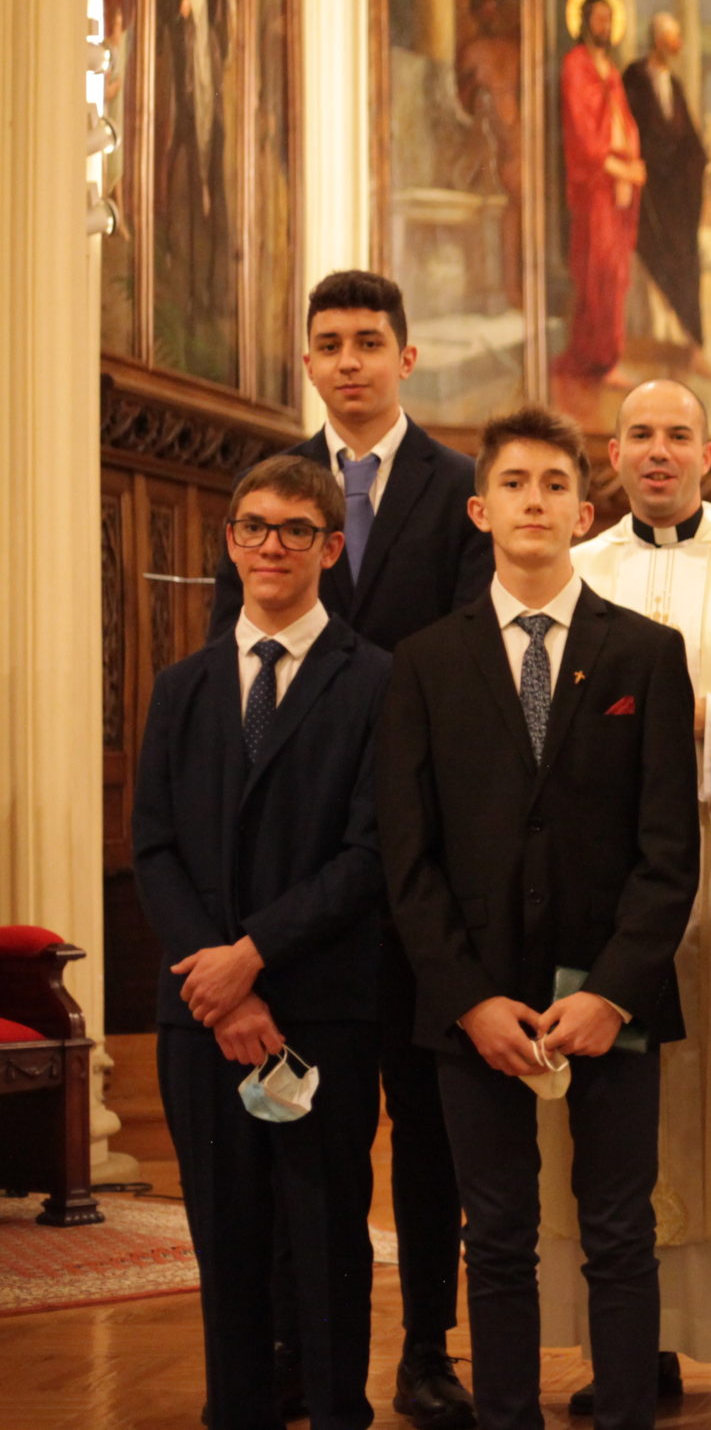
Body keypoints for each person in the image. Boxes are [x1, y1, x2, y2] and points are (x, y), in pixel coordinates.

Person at [204, 270, 490, 1430]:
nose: (351, 361)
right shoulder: (271, 487)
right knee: (297, 1126)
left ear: (407, 357)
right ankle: (290, 1346)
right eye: (329, 344)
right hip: (297, 866)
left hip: (423, 862)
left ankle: (426, 1348)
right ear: (309, 362)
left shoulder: (459, 488)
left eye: (371, 342)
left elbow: (471, 657)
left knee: (424, 1130)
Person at [378, 406, 699, 1430]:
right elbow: (408, 856)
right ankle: (508, 1414)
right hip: (476, 1001)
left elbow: (668, 853)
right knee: (500, 1234)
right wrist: (467, 999)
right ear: (481, 508)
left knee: (617, 1232)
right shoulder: (423, 662)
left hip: (610, 997)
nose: (534, 501)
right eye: (514, 483)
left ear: (583, 507)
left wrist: (612, 991)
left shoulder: (646, 654)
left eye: (554, 485)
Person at [542, 380, 711, 1414]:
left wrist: (708, 714)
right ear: (612, 456)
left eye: (679, 436)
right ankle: (634, 1347)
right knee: (623, 1119)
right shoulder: (578, 570)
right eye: (641, 435)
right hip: (612, 887)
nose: (659, 452)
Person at [134, 456, 394, 1430]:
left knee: (325, 1240)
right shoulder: (183, 688)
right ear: (230, 541)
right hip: (201, 1017)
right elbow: (154, 848)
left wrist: (255, 958)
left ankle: (337, 1414)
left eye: (294, 529)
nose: (270, 546)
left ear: (330, 547)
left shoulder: (375, 682)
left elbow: (372, 853)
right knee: (228, 1245)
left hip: (320, 1005)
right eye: (253, 527)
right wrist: (224, 984)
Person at [621, 13, 711, 384]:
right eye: (672, 38)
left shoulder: (673, 83)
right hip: (647, 193)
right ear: (657, 40)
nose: (677, 46)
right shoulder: (633, 77)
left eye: (679, 38)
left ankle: (693, 348)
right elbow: (628, 128)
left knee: (686, 261)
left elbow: (689, 140)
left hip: (675, 195)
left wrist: (704, 166)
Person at [556, 0, 647, 393]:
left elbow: (622, 121)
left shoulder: (609, 69)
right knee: (598, 269)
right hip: (597, 181)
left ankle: (605, 356)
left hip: (619, 182)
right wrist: (611, 165)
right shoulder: (577, 65)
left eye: (609, 21)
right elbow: (580, 125)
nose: (604, 26)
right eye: (597, 19)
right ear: (583, 24)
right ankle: (597, 359)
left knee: (616, 272)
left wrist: (632, 164)